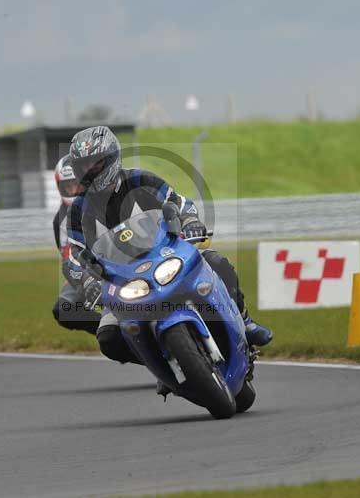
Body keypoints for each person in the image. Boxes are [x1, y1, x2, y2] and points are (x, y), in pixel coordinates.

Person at [65, 126, 273, 365]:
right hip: (122, 281)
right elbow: (73, 255)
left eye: (95, 164)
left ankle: (245, 322)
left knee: (216, 261)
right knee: (109, 338)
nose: (90, 171)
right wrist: (87, 280)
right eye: (83, 166)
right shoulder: (78, 210)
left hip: (168, 256)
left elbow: (179, 202)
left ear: (112, 158)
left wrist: (191, 221)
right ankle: (161, 364)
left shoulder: (141, 179)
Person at [51, 154, 100, 335]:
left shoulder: (106, 198)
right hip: (89, 267)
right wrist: (85, 277)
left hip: (123, 257)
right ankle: (109, 330)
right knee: (64, 309)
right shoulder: (61, 220)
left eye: (78, 183)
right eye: (68, 186)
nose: (74, 190)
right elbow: (68, 257)